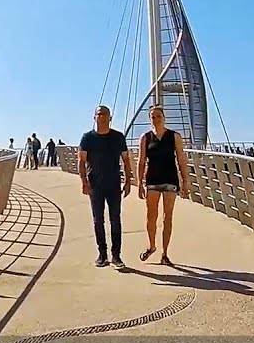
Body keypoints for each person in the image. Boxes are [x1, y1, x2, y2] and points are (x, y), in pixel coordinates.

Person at [79, 105, 133, 268]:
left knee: (115, 219)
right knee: (98, 220)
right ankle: (102, 254)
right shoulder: (87, 138)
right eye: (99, 114)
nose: (101, 117)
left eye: (105, 114)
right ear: (94, 117)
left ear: (110, 118)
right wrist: (84, 182)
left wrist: (128, 181)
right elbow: (81, 161)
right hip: (95, 184)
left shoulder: (118, 137)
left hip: (114, 183)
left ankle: (116, 256)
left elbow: (126, 160)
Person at [137, 106, 190, 265]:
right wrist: (139, 183)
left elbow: (181, 159)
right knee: (151, 216)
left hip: (170, 180)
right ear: (150, 119)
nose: (156, 119)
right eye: (153, 117)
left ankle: (165, 253)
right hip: (152, 180)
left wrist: (185, 181)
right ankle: (151, 246)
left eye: (158, 116)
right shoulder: (145, 137)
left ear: (164, 117)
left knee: (168, 216)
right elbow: (141, 161)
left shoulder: (174, 136)